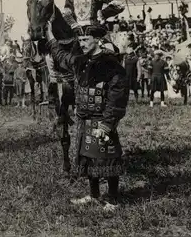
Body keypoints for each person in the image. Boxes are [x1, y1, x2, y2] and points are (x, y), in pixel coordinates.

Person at [45, 22, 129, 212]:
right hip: (84, 120)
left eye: (85, 39)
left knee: (107, 159)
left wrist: (108, 124)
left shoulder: (111, 65)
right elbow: (61, 56)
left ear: (98, 40)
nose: (81, 43)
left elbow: (117, 97)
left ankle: (113, 199)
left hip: (102, 119)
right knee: (89, 158)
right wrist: (50, 36)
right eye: (80, 40)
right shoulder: (80, 61)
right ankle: (94, 195)